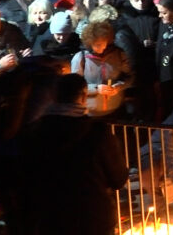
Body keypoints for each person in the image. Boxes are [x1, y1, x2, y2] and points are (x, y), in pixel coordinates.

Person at [18, 74, 128, 235]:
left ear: (54, 97)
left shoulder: (33, 132)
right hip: (92, 216)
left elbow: (24, 175)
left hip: (49, 217)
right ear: (83, 96)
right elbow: (118, 179)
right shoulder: (98, 132)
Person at [70, 20, 132, 118]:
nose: (101, 47)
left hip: (115, 109)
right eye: (97, 44)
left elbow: (129, 77)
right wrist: (96, 88)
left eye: (103, 43)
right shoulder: (81, 58)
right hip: (90, 111)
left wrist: (117, 87)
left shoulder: (119, 54)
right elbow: (75, 86)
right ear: (89, 43)